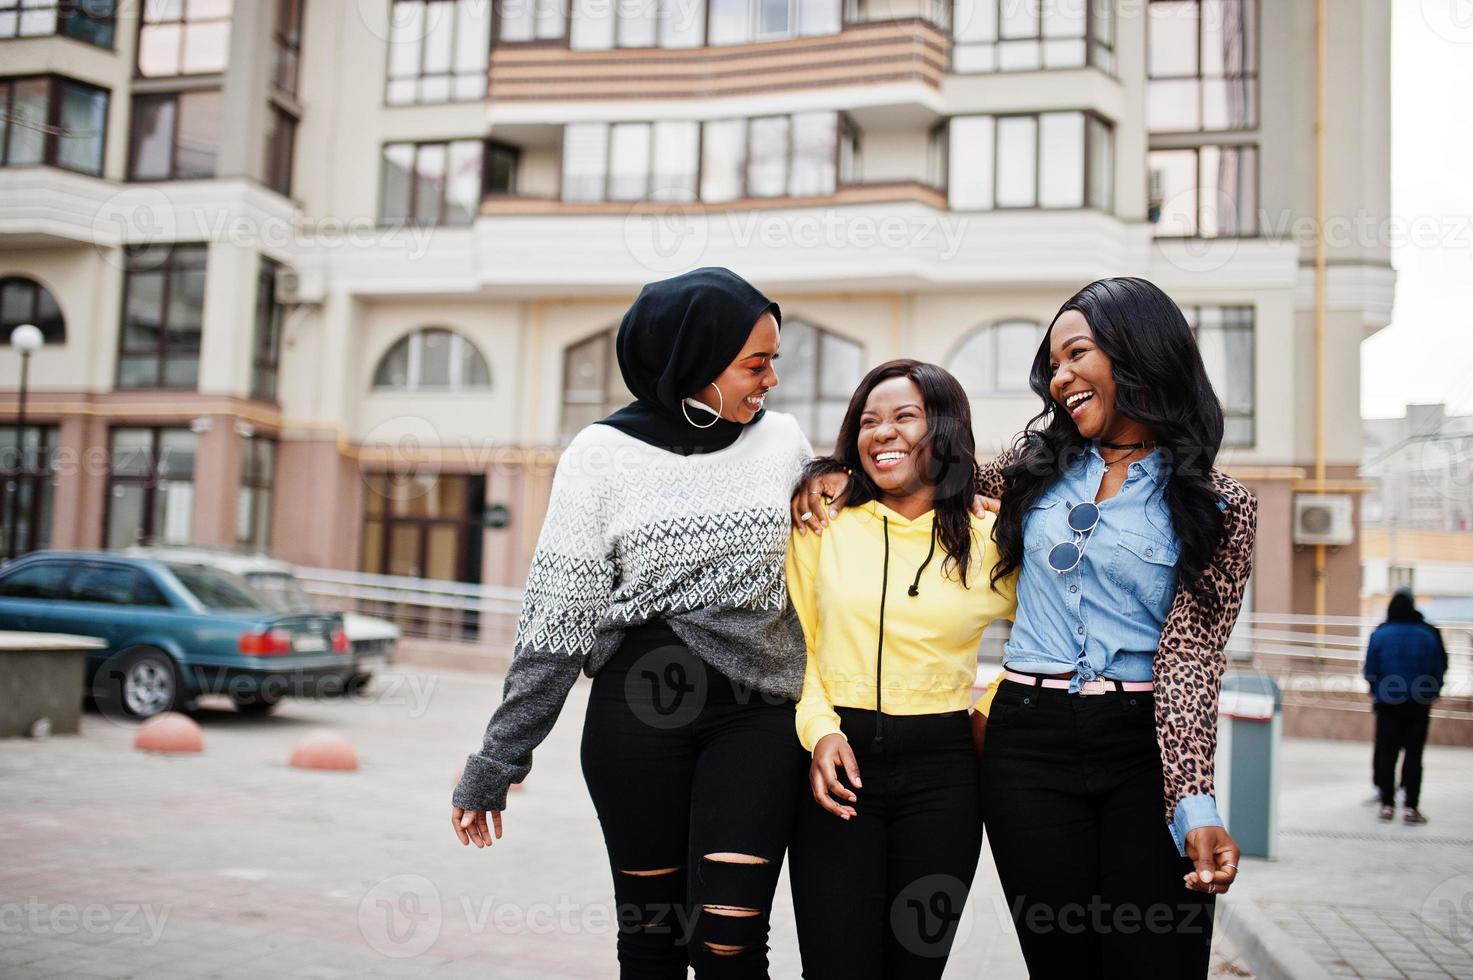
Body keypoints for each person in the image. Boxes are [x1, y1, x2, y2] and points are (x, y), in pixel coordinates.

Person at [794, 277, 1257, 978]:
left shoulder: (1220, 504)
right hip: (1026, 749)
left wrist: (1194, 801)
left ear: (1139, 352)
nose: (1059, 377)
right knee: (1059, 961)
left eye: (1076, 354)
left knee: (1156, 958)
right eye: (1053, 364)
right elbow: (916, 473)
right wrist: (825, 472)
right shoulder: (1028, 472)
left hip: (1141, 748)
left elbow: (1192, 658)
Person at [450, 267, 813, 978]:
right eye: (755, 362)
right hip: (636, 719)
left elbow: (840, 553)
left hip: (759, 717)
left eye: (774, 360)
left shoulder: (786, 443)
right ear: (696, 360)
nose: (770, 378)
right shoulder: (599, 455)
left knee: (730, 942)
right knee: (650, 942)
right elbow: (556, 622)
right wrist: (497, 761)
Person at [784, 360, 1017, 979]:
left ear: (942, 430)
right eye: (868, 421)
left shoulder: (990, 537)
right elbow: (796, 643)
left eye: (903, 417)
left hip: (945, 777)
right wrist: (820, 730)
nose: (881, 432)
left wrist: (991, 706)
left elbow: (1057, 635)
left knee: (917, 967)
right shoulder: (820, 525)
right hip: (838, 767)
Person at [1364, 589, 1447, 824]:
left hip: (1388, 703)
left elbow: (1370, 668)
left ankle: (1387, 804)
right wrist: (1434, 690)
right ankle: (1411, 806)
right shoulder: (1428, 634)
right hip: (1418, 703)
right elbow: (1439, 667)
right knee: (1414, 755)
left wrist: (1376, 690)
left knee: (1386, 753)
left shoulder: (1380, 634)